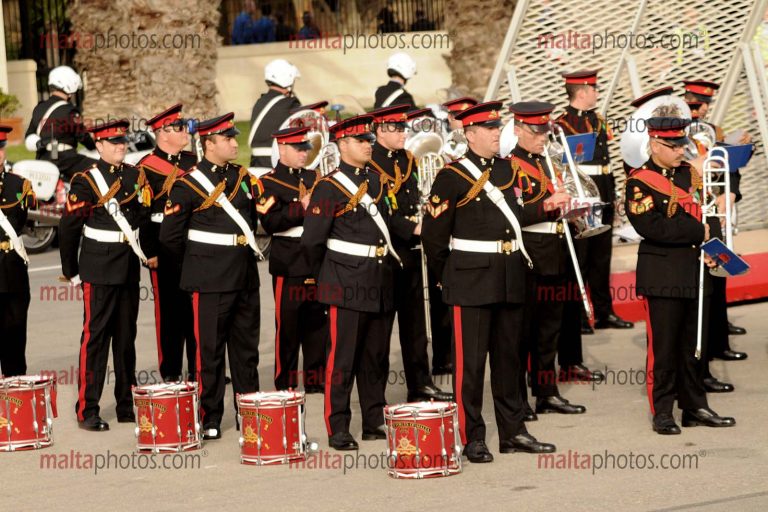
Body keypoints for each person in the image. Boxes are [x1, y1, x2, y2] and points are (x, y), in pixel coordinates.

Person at [422, 101, 555, 463]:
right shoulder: (451, 176)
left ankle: (513, 432)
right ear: (470, 134)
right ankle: (472, 437)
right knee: (471, 367)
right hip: (470, 280)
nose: (499, 132)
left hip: (510, 273)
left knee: (509, 360)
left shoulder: (508, 169)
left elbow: (516, 214)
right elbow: (434, 238)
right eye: (490, 128)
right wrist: (445, 278)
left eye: (499, 127)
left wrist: (550, 207)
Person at [625, 116, 735, 435]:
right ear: (656, 144)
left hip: (696, 269)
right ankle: (662, 411)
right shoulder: (639, 181)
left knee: (693, 345)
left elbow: (708, 211)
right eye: (673, 146)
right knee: (664, 348)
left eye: (681, 145)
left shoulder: (690, 174)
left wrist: (716, 244)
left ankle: (695, 406)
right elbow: (651, 226)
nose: (680, 152)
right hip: (663, 272)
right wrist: (698, 231)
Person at [301, 115, 402, 451]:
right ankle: (338, 426)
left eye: (369, 140)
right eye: (361, 140)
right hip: (344, 280)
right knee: (342, 359)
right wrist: (325, 278)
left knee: (376, 357)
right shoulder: (328, 187)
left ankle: (374, 421)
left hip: (378, 277)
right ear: (343, 144)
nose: (368, 145)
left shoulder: (377, 181)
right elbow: (313, 241)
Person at [160, 113, 261, 441]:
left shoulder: (242, 176)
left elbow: (253, 220)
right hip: (210, 279)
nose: (235, 143)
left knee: (246, 351)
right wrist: (193, 273)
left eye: (234, 137)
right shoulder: (187, 184)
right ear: (208, 144)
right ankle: (210, 415)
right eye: (227, 138)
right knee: (210, 352)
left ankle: (251, 412)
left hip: (244, 276)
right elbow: (170, 239)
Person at [59, 119, 153, 431]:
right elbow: (70, 227)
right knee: (95, 339)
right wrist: (70, 271)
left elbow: (141, 217)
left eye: (122, 141)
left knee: (126, 339)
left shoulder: (134, 175)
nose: (120, 146)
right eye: (112, 142)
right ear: (99, 146)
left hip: (126, 265)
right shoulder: (86, 180)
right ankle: (87, 409)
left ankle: (126, 405)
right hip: (98, 267)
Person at [508, 101, 588, 418]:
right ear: (518, 130)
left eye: (545, 130)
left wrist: (572, 208)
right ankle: (517, 399)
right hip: (529, 254)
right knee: (521, 333)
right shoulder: (509, 166)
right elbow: (511, 215)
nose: (542, 137)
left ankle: (546, 392)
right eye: (535, 131)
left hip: (555, 250)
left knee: (548, 330)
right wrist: (549, 206)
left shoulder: (547, 163)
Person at [367, 104, 452, 402]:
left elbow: (412, 195)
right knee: (379, 331)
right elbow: (375, 209)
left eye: (404, 127)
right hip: (385, 252)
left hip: (412, 252)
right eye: (395, 128)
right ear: (379, 131)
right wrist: (411, 228)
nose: (403, 133)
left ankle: (420, 384)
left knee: (415, 325)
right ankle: (374, 395)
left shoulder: (408, 159)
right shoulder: (370, 161)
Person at [555, 70, 629, 383]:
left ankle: (604, 308)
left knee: (602, 254)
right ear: (581, 90)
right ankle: (581, 314)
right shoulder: (561, 123)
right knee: (581, 257)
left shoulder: (599, 120)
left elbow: (607, 159)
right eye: (593, 88)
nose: (596, 91)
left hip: (603, 185)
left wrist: (612, 198)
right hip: (581, 188)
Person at [257, 126, 327, 393]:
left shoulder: (315, 177)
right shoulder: (268, 182)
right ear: (282, 149)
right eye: (298, 149)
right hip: (289, 261)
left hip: (316, 258)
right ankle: (284, 382)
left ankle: (315, 380)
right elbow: (271, 222)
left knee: (318, 323)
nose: (303, 154)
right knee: (288, 325)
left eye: (305, 149)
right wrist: (302, 207)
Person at [683, 79, 749, 343]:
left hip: (715, 206)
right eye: (696, 104)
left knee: (721, 272)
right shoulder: (678, 133)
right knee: (703, 279)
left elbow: (729, 167)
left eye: (705, 105)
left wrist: (730, 193)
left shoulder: (713, 131)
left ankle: (720, 333)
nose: (701, 111)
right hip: (692, 208)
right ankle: (708, 338)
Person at [136, 104, 197, 382]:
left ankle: (200, 368)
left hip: (194, 242)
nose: (186, 131)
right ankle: (171, 371)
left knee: (197, 310)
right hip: (164, 245)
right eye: (179, 128)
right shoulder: (146, 168)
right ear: (162, 134)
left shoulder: (191, 162)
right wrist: (150, 251)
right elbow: (143, 213)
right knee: (170, 312)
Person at [0, 125, 35, 377]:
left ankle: (16, 400)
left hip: (13, 269)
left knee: (15, 335)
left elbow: (22, 223)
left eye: (0, 149)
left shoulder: (19, 184)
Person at [24, 66, 96, 180]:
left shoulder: (39, 108)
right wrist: (95, 144)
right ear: (69, 84)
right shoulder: (70, 110)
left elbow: (29, 137)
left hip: (43, 160)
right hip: (66, 161)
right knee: (99, 168)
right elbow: (83, 138)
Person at [248, 59, 301, 171]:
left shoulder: (260, 102)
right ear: (288, 79)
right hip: (277, 165)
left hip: (255, 164)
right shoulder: (290, 103)